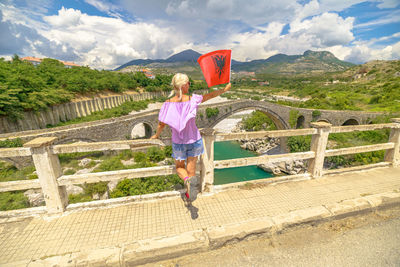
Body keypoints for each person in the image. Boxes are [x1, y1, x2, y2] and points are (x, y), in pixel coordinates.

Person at [150, 73, 231, 199]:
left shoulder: (168, 103)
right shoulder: (193, 99)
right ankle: (190, 193)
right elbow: (210, 96)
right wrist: (224, 90)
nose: (189, 85)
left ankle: (187, 181)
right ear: (184, 85)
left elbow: (161, 123)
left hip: (179, 142)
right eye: (188, 83)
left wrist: (156, 135)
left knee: (179, 168)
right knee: (191, 170)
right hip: (194, 140)